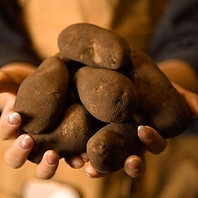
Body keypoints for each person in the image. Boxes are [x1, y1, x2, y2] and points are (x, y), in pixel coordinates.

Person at [0, 0, 197, 197]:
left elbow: (191, 24)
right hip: (29, 177)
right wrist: (10, 70)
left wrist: (172, 77)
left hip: (164, 164)